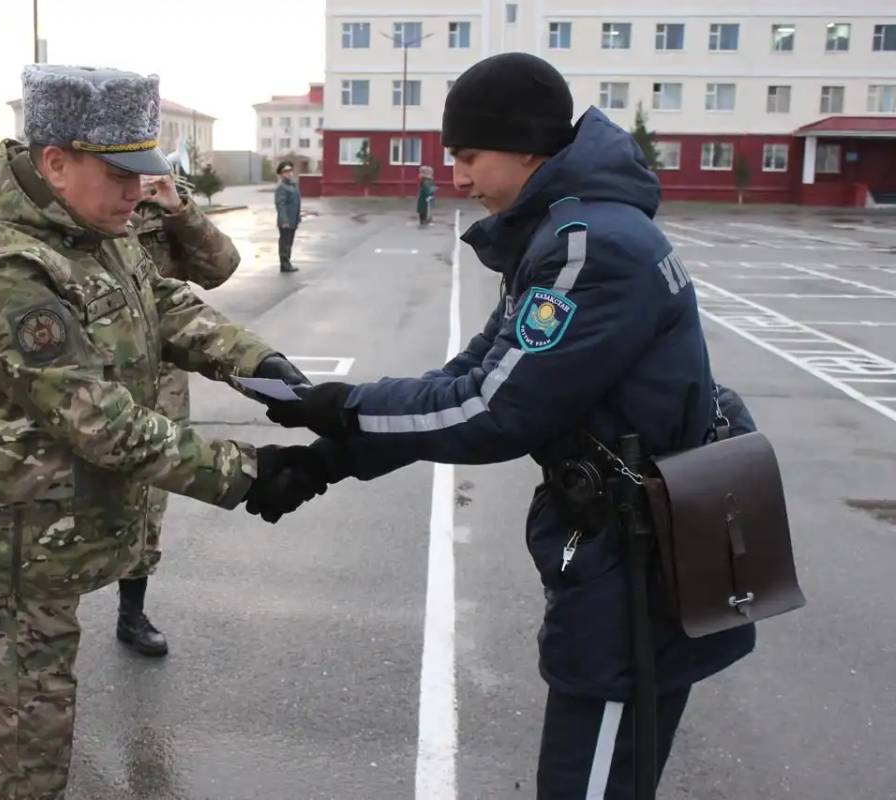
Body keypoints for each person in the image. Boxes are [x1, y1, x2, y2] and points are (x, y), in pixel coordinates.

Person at [262, 53, 756, 799]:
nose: (457, 177)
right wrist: (333, 456)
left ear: (527, 148)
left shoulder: (590, 247)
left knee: (589, 782)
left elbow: (496, 412)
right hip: (624, 555)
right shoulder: (565, 232)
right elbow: (473, 373)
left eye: (469, 156)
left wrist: (346, 405)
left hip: (636, 568)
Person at [0, 64, 319, 800]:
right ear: (56, 162)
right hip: (24, 540)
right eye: (119, 174)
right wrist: (248, 473)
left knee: (2, 715)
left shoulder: (93, 231)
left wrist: (261, 368)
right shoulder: (11, 267)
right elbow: (96, 419)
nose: (135, 191)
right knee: (25, 739)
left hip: (63, 523)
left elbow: (165, 302)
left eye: (140, 173)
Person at [106, 168, 244, 656]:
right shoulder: (79, 198)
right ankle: (47, 620)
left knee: (146, 498)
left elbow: (221, 267)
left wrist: (180, 211)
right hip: (86, 373)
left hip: (156, 377)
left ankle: (132, 613)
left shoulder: (166, 205)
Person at [274, 160, 300, 273]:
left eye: (290, 170)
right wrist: (284, 220)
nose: (289, 173)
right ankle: (284, 265)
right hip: (286, 221)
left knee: (289, 242)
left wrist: (298, 217)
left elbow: (296, 203)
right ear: (281, 173)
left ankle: (287, 263)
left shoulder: (293, 185)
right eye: (286, 171)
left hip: (293, 219)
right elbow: (280, 205)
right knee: (285, 243)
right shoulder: (282, 187)